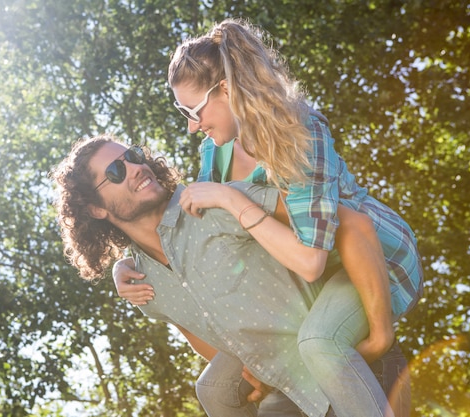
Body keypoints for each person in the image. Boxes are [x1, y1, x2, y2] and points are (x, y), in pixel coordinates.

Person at [113, 17, 422, 417]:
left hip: (373, 257)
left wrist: (380, 336)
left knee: (319, 342)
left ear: (225, 90)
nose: (192, 127)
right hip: (319, 278)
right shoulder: (216, 152)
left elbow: (312, 259)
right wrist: (124, 263)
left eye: (193, 109)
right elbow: (197, 234)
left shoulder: (300, 132)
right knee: (214, 387)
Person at [51, 135, 408, 417]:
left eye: (133, 155)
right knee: (211, 390)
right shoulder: (141, 282)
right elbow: (196, 328)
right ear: (96, 209)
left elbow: (336, 220)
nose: (134, 167)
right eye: (115, 171)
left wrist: (380, 334)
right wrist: (251, 365)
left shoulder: (215, 202)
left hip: (358, 368)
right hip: (293, 396)